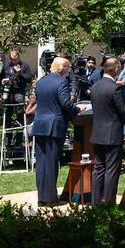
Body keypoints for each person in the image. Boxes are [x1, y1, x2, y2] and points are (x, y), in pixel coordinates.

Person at [90, 57, 125, 204]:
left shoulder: (95, 87)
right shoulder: (115, 88)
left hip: (97, 134)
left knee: (98, 169)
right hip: (112, 135)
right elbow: (124, 112)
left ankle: (96, 202)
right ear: (116, 69)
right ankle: (109, 203)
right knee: (111, 170)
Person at [31, 57, 74, 207]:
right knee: (51, 162)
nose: (68, 72)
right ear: (62, 69)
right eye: (68, 69)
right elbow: (65, 103)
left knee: (41, 163)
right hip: (54, 126)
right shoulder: (61, 82)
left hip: (39, 125)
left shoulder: (41, 82)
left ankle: (42, 197)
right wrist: (76, 109)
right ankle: (50, 198)